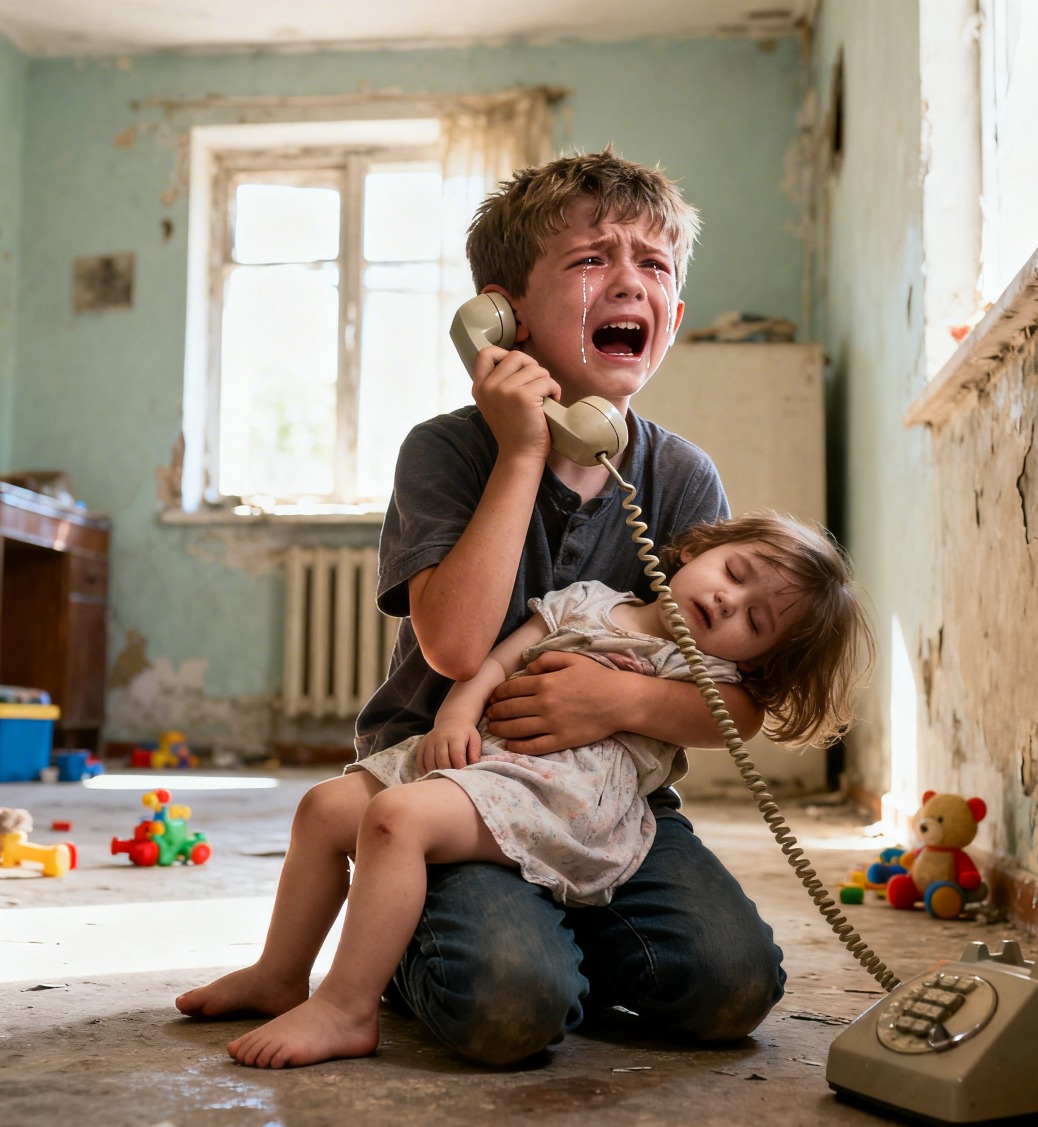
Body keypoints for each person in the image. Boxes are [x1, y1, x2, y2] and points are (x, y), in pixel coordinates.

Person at [177, 147, 803, 1065]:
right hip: (455, 791)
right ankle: (400, 940)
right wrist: (521, 454)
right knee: (510, 1008)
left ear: (675, 314)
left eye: (655, 266)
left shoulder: (679, 478)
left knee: (733, 988)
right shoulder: (446, 453)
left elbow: (735, 702)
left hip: (607, 805)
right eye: (592, 260)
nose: (629, 280)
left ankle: (553, 928)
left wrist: (617, 702)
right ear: (501, 315)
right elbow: (460, 647)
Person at [183, 511, 873, 1068]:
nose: (729, 600)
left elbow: (735, 722)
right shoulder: (588, 601)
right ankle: (279, 971)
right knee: (324, 807)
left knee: (397, 821)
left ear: (759, 661)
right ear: (698, 546)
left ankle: (347, 1006)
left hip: (557, 802)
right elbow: (495, 661)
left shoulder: (706, 678)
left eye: (754, 623)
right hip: (484, 756)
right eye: (735, 572)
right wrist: (454, 712)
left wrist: (621, 698)